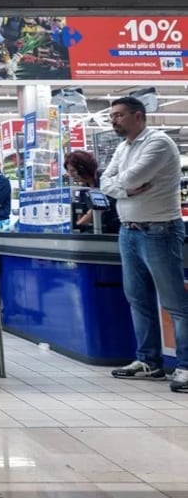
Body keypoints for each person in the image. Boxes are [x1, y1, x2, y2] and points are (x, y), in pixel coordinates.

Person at [99, 96, 188, 392]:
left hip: (159, 231)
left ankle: (186, 366)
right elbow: (106, 182)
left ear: (138, 116)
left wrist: (121, 186)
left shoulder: (158, 143)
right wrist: (127, 192)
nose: (113, 120)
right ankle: (149, 362)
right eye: (112, 116)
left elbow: (131, 177)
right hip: (129, 232)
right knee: (138, 300)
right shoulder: (124, 147)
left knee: (175, 303)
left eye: (119, 115)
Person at [64, 150, 120, 234]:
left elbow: (94, 213)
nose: (70, 174)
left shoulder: (105, 181)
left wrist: (77, 224)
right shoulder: (84, 189)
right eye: (68, 171)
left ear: (83, 168)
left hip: (115, 231)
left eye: (72, 171)